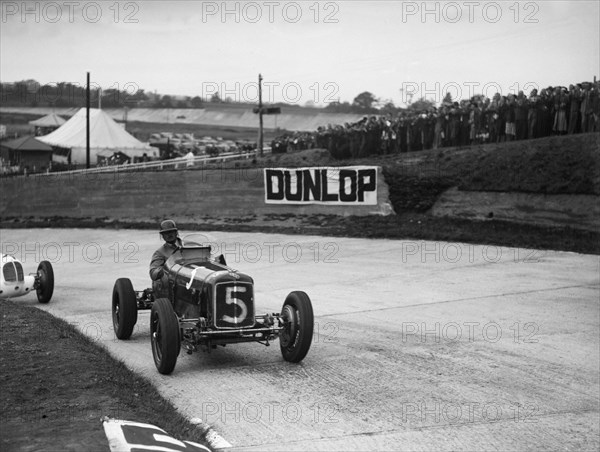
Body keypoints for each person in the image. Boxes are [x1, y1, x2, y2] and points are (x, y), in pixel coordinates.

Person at [149, 220, 183, 291]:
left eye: (171, 232)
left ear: (176, 232)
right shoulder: (159, 253)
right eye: (165, 233)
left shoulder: (189, 244)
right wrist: (163, 269)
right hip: (174, 285)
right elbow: (153, 273)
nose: (169, 235)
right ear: (162, 236)